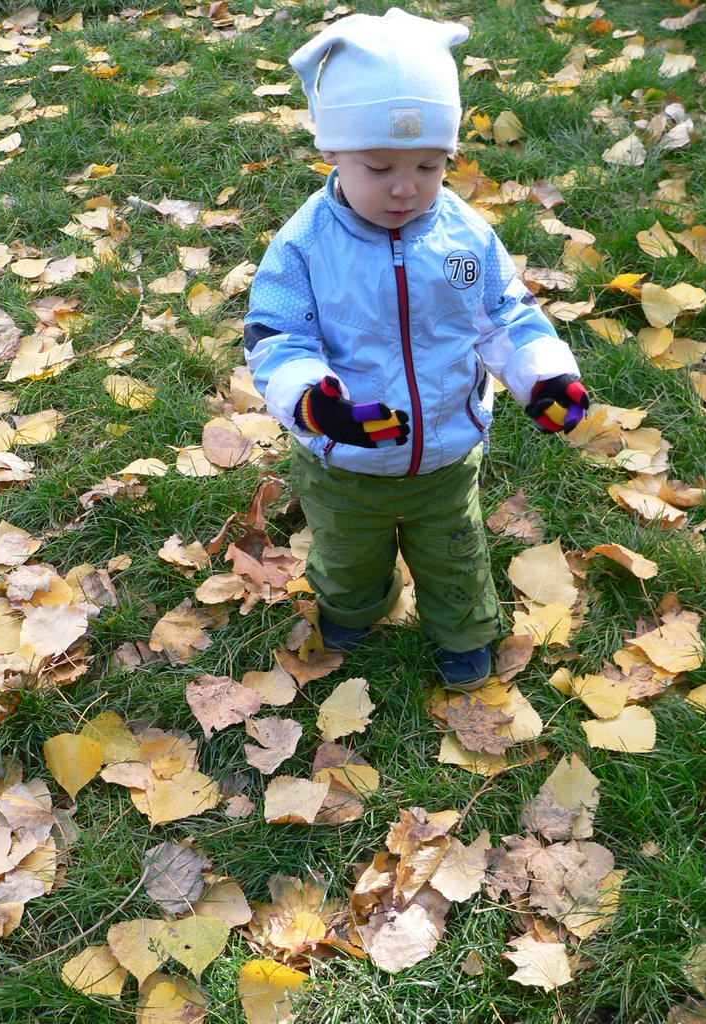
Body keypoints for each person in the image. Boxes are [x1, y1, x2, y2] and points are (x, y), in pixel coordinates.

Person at [243, 7, 589, 690]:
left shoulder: (465, 236)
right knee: (347, 554)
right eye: (379, 166)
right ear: (333, 152)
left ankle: (463, 631)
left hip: (446, 454)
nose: (406, 187)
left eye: (430, 165)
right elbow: (278, 336)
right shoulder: (305, 245)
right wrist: (316, 404)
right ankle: (353, 607)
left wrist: (544, 376)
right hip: (344, 460)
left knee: (455, 554)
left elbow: (504, 317)